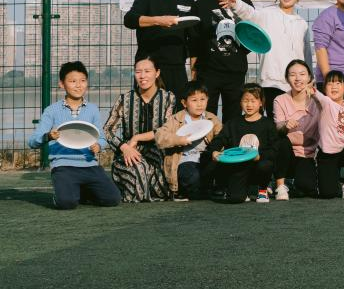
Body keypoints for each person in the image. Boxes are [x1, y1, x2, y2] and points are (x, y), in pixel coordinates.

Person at [27, 62, 121, 210]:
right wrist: (48, 136)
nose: (78, 85)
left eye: (82, 80)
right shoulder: (51, 111)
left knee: (113, 199)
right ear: (62, 84)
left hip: (89, 165)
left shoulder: (93, 109)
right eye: (72, 81)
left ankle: (81, 191)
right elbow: (32, 141)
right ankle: (64, 194)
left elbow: (102, 138)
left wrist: (99, 146)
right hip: (63, 166)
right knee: (67, 203)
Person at [122, 0, 195, 103]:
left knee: (178, 111)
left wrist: (194, 72)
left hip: (177, 68)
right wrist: (158, 20)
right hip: (150, 68)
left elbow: (194, 38)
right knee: (148, 111)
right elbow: (129, 20)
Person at [231, 0, 311, 112]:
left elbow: (306, 53)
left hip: (296, 84)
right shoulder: (267, 14)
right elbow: (250, 14)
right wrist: (237, 4)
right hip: (271, 81)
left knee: (296, 121)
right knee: (275, 121)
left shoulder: (302, 23)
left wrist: (309, 80)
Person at [189, 0, 254, 119]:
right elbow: (194, 40)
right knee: (205, 116)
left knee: (233, 118)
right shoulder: (201, 5)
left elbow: (252, 36)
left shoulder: (244, 3)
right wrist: (193, 70)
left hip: (235, 71)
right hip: (207, 71)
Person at [103, 56, 174, 202]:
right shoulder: (124, 99)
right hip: (130, 152)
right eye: (138, 72)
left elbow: (167, 130)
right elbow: (107, 130)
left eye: (147, 71)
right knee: (138, 176)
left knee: (162, 191)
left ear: (157, 73)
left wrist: (137, 137)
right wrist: (124, 147)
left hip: (157, 152)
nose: (142, 76)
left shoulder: (168, 98)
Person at [208, 83, 278, 203]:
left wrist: (260, 156)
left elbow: (275, 148)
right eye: (245, 100)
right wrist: (214, 151)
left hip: (259, 164)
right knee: (236, 198)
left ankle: (262, 189)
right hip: (238, 167)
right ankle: (243, 189)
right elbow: (219, 139)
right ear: (240, 102)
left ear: (261, 102)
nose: (249, 105)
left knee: (265, 165)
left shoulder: (268, 124)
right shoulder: (233, 123)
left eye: (253, 100)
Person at [155, 83, 222, 201]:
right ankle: (189, 191)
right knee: (192, 176)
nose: (199, 104)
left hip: (206, 158)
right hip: (185, 160)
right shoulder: (176, 119)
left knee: (219, 168)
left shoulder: (211, 118)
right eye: (194, 100)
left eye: (202, 99)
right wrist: (178, 139)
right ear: (184, 103)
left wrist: (217, 150)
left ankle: (206, 189)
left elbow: (222, 136)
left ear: (207, 100)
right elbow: (159, 136)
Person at [271, 59, 321, 200]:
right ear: (287, 79)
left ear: (309, 77)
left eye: (302, 74)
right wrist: (285, 125)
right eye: (292, 75)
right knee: (281, 140)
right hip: (286, 151)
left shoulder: (318, 100)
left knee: (306, 187)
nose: (298, 78)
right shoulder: (280, 99)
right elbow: (278, 129)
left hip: (307, 153)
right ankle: (280, 185)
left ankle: (294, 181)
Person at [311, 70, 344, 199]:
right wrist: (311, 88)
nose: (334, 86)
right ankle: (330, 178)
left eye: (338, 83)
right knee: (328, 193)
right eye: (329, 84)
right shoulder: (325, 103)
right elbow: (317, 95)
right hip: (327, 154)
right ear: (324, 89)